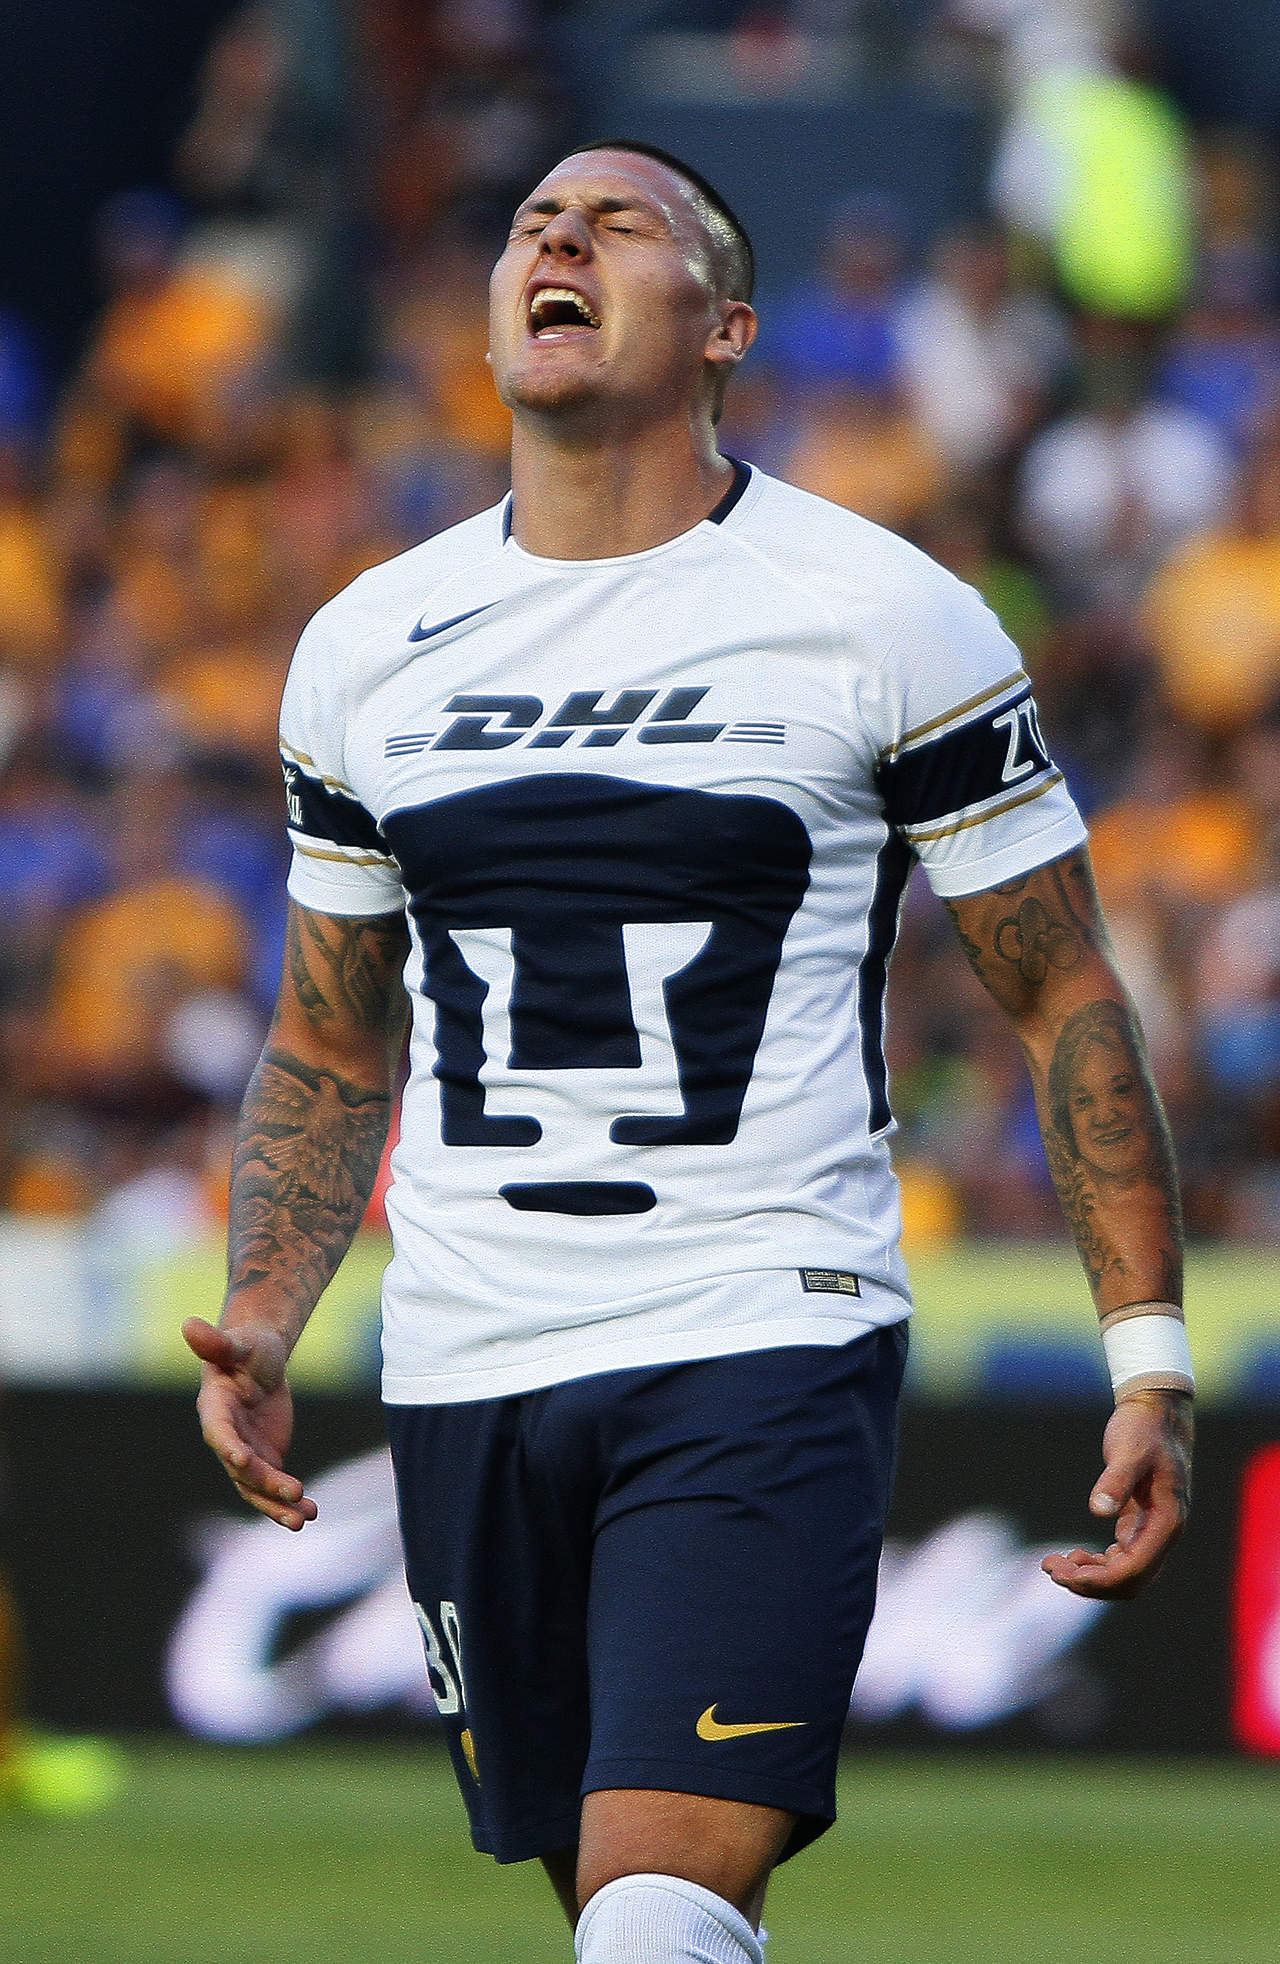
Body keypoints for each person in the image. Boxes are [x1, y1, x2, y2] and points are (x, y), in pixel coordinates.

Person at [183, 141, 1193, 1964]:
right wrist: (265, 1310)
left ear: (727, 325)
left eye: (615, 221)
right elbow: (331, 1034)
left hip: (758, 1327)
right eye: (529, 223)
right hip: (470, 1356)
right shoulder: (364, 646)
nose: (555, 236)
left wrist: (1150, 1358)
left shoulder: (882, 611)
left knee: (657, 1901)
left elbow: (1064, 994)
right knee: (620, 1911)